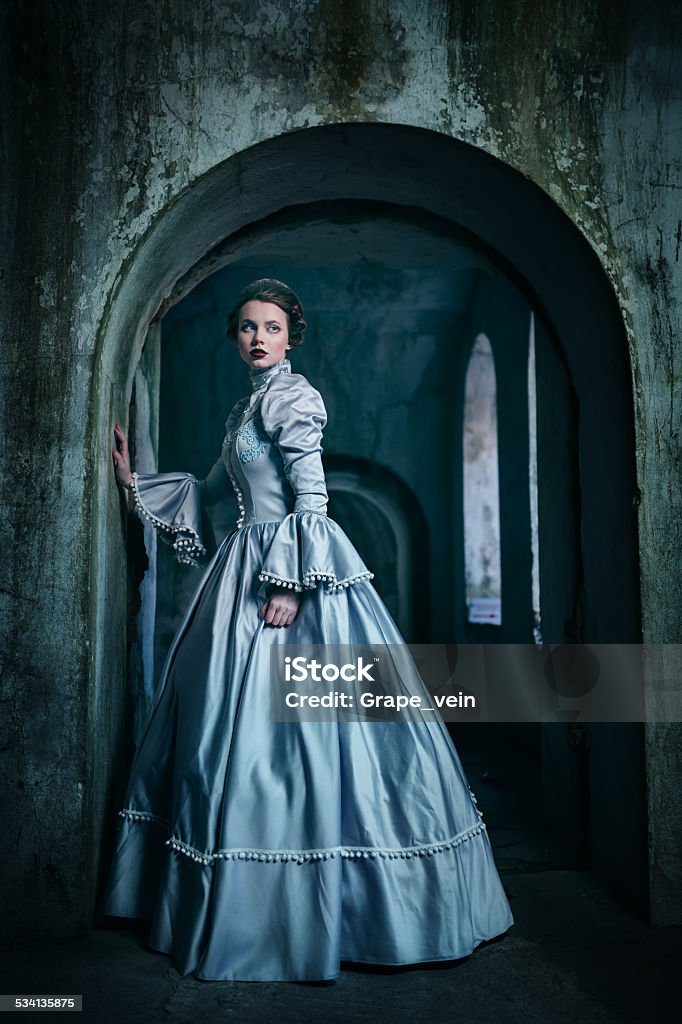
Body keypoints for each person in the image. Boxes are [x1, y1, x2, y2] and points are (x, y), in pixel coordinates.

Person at [101, 278, 514, 982]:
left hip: (286, 579)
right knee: (220, 735)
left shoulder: (294, 398)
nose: (257, 337)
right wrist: (135, 482)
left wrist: (290, 583)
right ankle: (232, 905)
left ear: (292, 337)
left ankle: (338, 909)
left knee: (304, 743)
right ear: (237, 338)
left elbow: (313, 496)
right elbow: (208, 497)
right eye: (246, 328)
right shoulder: (247, 407)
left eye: (270, 327)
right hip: (240, 570)